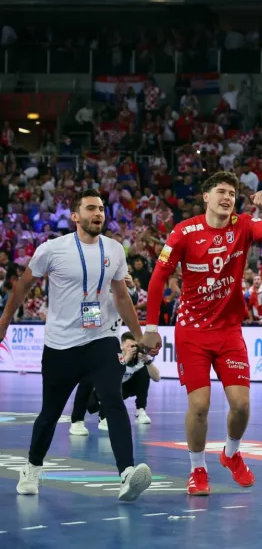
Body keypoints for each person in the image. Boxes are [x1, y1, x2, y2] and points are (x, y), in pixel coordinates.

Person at [1, 189, 152, 501]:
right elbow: (22, 287)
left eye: (100, 208)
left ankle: (126, 473)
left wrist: (139, 334)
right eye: (90, 208)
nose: (98, 213)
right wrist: (3, 322)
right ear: (75, 216)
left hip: (100, 340)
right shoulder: (51, 249)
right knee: (50, 414)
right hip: (60, 346)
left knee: (113, 398)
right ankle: (32, 468)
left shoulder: (114, 249)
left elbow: (121, 296)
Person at [139, 174, 262, 496]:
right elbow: (158, 279)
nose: (227, 198)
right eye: (220, 192)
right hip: (192, 331)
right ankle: (197, 469)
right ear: (206, 196)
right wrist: (150, 329)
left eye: (231, 193)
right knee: (200, 406)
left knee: (241, 405)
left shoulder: (242, 224)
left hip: (229, 330)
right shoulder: (183, 232)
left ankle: (231, 454)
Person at [71, 331, 161, 432]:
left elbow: (157, 378)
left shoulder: (138, 357)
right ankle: (92, 419)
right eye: (130, 346)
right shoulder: (113, 354)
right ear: (121, 345)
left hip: (120, 391)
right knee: (93, 380)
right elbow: (109, 377)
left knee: (144, 371)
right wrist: (126, 358)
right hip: (96, 395)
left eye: (135, 346)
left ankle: (141, 410)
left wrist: (148, 361)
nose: (133, 349)